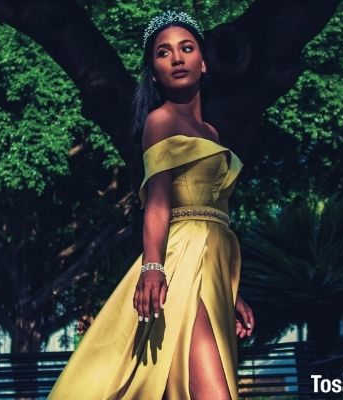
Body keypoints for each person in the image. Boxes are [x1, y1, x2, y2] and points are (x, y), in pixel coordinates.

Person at [48, 10, 255, 400]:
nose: (177, 58)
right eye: (164, 53)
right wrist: (154, 267)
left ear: (204, 62)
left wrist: (233, 293)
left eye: (186, 48)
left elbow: (214, 213)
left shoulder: (211, 132)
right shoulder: (159, 121)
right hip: (180, 261)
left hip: (215, 264)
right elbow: (158, 204)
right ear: (154, 72)